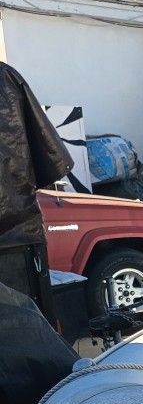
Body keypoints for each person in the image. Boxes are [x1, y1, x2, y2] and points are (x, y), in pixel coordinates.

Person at [0, 61, 73, 323]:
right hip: (16, 239)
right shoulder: (6, 77)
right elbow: (51, 159)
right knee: (27, 329)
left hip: (17, 240)